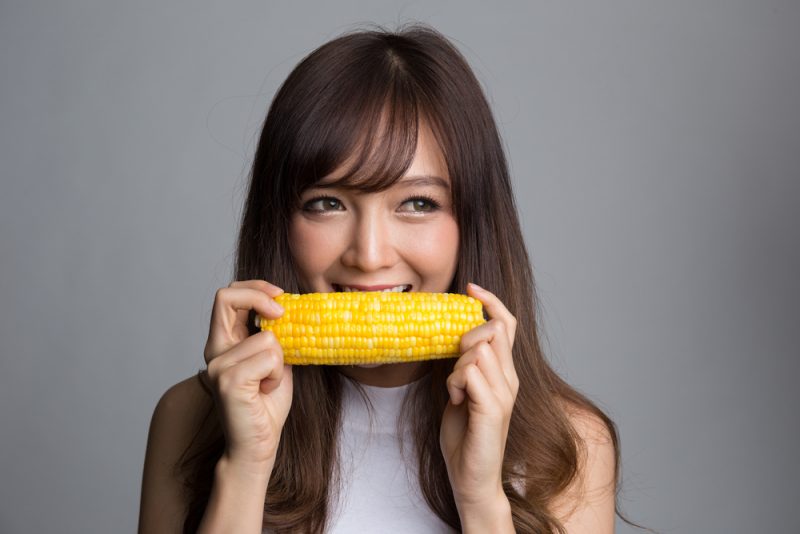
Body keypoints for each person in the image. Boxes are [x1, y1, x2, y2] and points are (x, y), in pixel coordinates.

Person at [139, 23, 630, 534]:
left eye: (418, 203)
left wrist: (480, 497)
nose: (369, 256)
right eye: (327, 203)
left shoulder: (571, 444)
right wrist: (245, 465)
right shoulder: (190, 418)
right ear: (279, 220)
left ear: (472, 222)